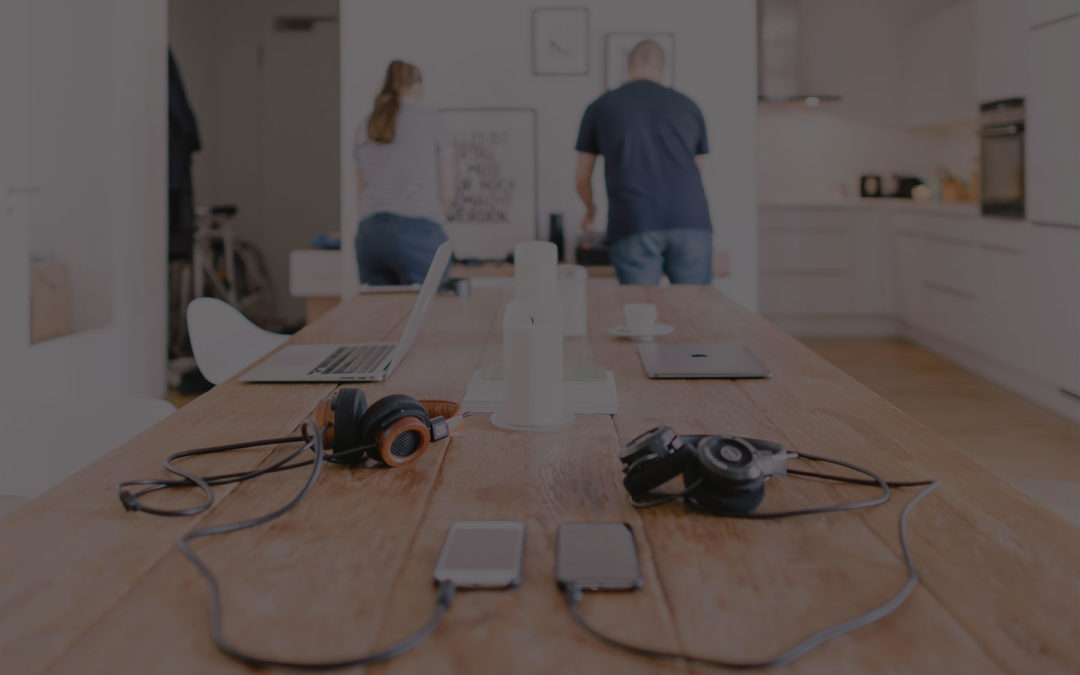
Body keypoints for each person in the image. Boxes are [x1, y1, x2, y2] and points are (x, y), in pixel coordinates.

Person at [574, 40, 713, 285]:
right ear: (663, 69)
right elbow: (698, 167)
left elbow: (581, 178)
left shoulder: (600, 107)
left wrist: (590, 210)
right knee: (695, 304)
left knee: (640, 307)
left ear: (628, 66)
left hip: (634, 222)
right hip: (691, 221)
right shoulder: (688, 106)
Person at [353, 60, 454, 285]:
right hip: (416, 228)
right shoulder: (432, 120)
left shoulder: (365, 125)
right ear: (417, 87)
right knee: (430, 305)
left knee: (378, 307)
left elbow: (359, 192)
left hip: (370, 235)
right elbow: (447, 193)